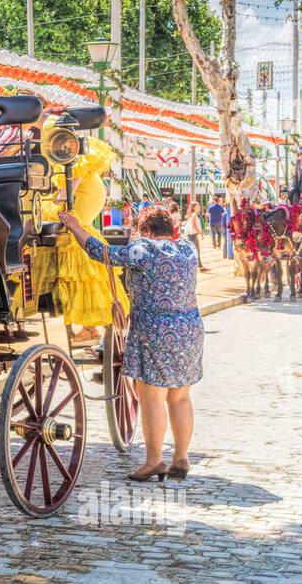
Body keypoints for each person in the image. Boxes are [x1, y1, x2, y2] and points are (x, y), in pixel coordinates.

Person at [59, 206, 202, 481]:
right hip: (189, 329)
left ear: (146, 231)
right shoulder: (188, 249)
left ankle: (153, 460)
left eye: (139, 231)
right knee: (181, 396)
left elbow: (100, 252)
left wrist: (76, 227)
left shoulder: (143, 250)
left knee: (152, 398)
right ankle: (181, 458)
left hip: (156, 331)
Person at [32, 127, 130, 342]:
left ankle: (88, 327)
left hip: (81, 210)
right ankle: (89, 326)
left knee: (79, 266)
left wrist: (53, 197)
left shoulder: (73, 165)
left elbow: (66, 192)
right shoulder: (76, 164)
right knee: (83, 267)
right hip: (85, 210)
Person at [183, 202, 208, 271]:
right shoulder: (194, 215)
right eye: (198, 206)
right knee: (195, 251)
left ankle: (200, 266)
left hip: (192, 235)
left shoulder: (193, 215)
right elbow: (194, 226)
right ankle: (196, 267)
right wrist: (201, 233)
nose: (199, 207)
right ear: (194, 207)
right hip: (192, 236)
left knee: (195, 251)